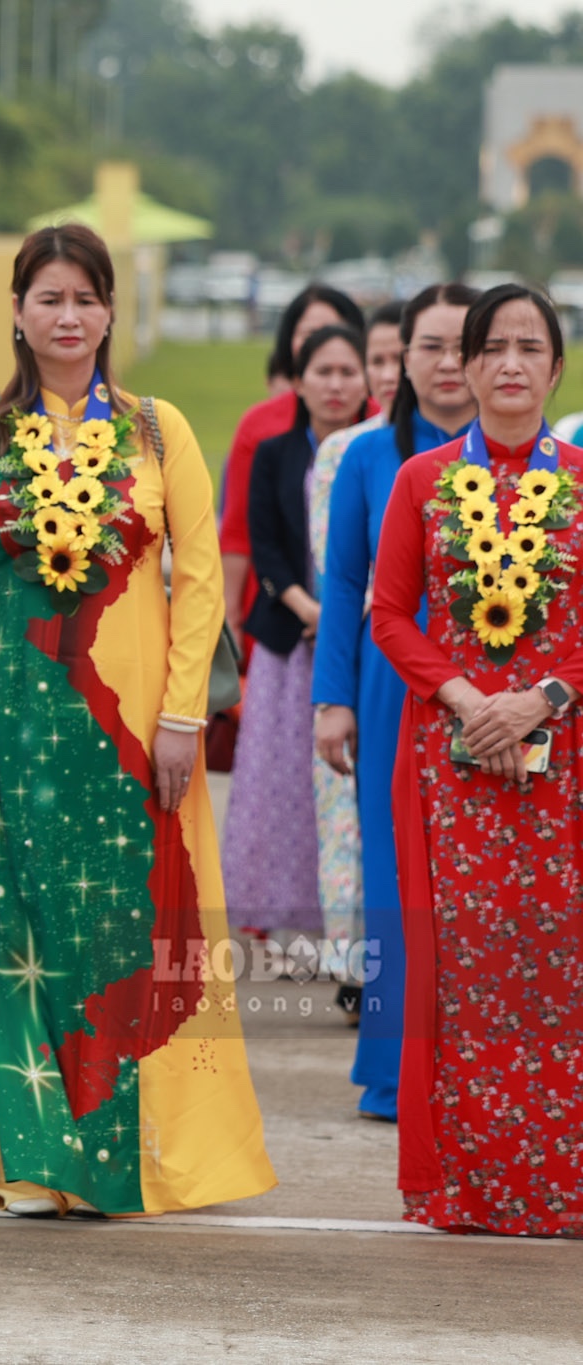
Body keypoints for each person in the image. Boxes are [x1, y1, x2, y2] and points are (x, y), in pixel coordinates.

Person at [0, 223, 276, 1218]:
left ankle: (136, 1156)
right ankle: (34, 1160)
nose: (66, 316)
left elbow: (201, 581)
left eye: (83, 297)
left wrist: (181, 715)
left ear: (109, 310)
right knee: (17, 928)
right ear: (15, 312)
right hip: (10, 727)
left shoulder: (157, 430)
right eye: (47, 298)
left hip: (135, 732)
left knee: (127, 930)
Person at [370, 284, 583, 1237]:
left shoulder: (581, 478)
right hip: (452, 764)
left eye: (528, 346)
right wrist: (466, 701)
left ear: (554, 366)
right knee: (461, 966)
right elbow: (386, 612)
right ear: (464, 362)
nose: (507, 363)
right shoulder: (421, 480)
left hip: (567, 757)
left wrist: (543, 700)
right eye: (490, 345)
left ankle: (563, 1181)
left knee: (557, 960)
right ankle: (465, 1182)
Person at [314, 283, 480, 1122]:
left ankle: (488, 1059)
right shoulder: (367, 459)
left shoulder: (537, 460)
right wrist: (330, 698)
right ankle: (396, 1068)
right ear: (401, 358)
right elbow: (344, 581)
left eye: (465, 346)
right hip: (390, 688)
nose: (449, 364)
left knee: (487, 873)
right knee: (397, 872)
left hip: (498, 690)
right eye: (431, 347)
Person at [224, 326, 371, 937]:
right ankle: (283, 919)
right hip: (290, 639)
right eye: (323, 372)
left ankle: (349, 920)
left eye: (348, 371)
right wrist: (311, 610)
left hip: (365, 636)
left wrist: (347, 614)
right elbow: (264, 545)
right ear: (298, 381)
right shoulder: (276, 452)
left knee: (350, 783)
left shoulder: (380, 451)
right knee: (279, 784)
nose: (336, 385)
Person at [307, 302, 403, 983]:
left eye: (404, 357)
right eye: (381, 360)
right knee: (349, 817)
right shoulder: (348, 448)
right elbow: (334, 567)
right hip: (369, 646)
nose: (393, 372)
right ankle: (354, 966)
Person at [220, 286, 368, 642]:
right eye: (310, 335)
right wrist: (229, 617)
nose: (326, 342)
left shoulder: (381, 428)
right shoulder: (261, 426)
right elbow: (240, 529)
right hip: (281, 612)